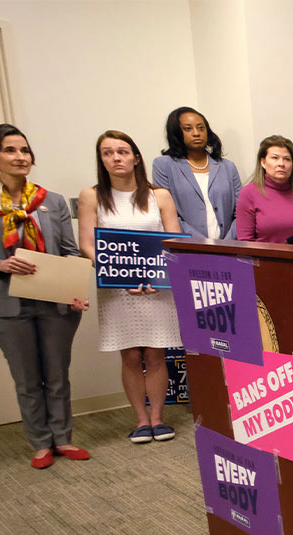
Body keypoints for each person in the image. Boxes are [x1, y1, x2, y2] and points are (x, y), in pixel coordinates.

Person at [0, 124, 90, 469]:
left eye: (24, 150)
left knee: (58, 374)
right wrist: (1, 264)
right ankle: (40, 443)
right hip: (5, 305)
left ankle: (63, 438)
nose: (20, 157)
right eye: (10, 150)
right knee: (27, 378)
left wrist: (76, 290)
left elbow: (68, 251)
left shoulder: (51, 201)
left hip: (55, 303)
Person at [77, 130, 182, 444]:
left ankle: (159, 418)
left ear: (136, 157)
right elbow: (86, 244)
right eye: (108, 153)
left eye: (122, 151)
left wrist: (156, 275)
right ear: (101, 160)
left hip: (156, 286)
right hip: (116, 288)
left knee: (155, 354)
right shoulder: (91, 195)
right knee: (129, 357)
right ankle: (140, 420)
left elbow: (173, 240)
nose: (115, 158)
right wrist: (121, 274)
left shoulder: (159, 195)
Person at [152, 106, 242, 239]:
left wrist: (227, 243)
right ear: (176, 132)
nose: (196, 133)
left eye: (201, 128)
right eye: (188, 129)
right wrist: (203, 244)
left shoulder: (228, 167)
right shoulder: (164, 165)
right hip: (188, 247)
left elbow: (241, 212)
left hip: (229, 247)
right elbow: (168, 213)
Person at [236, 135, 293, 242]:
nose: (281, 164)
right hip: (265, 258)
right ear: (263, 162)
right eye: (275, 158)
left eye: (287, 159)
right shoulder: (248, 193)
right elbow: (245, 242)